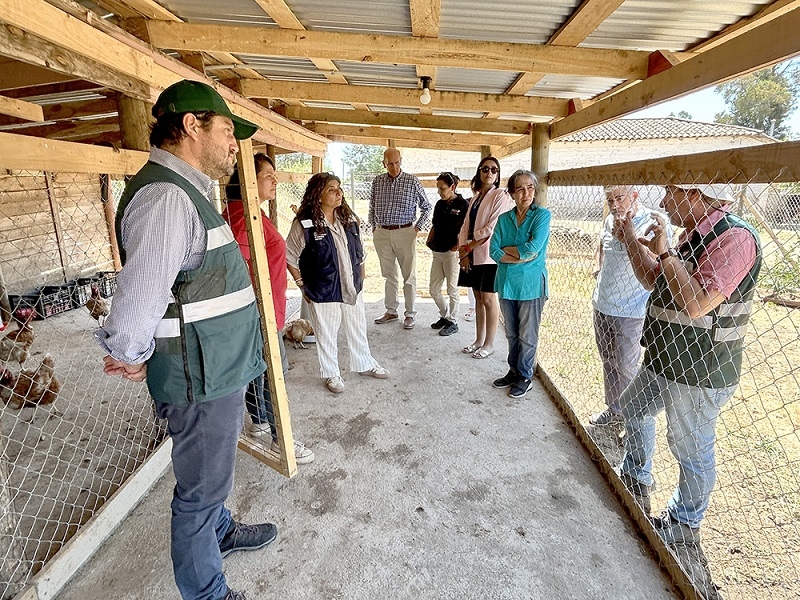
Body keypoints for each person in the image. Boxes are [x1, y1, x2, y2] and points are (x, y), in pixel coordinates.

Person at [96, 80, 277, 600]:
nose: (231, 145)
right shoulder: (167, 197)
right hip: (199, 376)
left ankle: (219, 533)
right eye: (226, 131)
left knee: (209, 474)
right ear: (191, 126)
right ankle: (206, 591)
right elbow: (142, 289)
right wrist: (129, 352)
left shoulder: (187, 191)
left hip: (215, 368)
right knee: (199, 493)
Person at [615, 183, 761, 546]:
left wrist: (666, 255)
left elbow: (696, 303)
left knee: (689, 446)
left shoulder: (735, 236)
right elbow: (655, 280)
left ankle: (685, 520)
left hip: (699, 369)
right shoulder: (694, 234)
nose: (663, 202)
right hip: (666, 356)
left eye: (670, 193)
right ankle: (636, 474)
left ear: (694, 194)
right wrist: (632, 241)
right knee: (633, 407)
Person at [223, 156, 315, 464]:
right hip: (259, 312)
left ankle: (260, 422)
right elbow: (236, 262)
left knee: (259, 371)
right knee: (274, 374)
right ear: (249, 180)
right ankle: (281, 440)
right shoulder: (241, 218)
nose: (274, 181)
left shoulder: (249, 212)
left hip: (264, 309)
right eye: (268, 176)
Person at [286, 173, 388, 394]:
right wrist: (302, 285)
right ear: (318, 194)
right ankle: (332, 373)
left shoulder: (348, 218)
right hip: (323, 289)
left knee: (358, 326)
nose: (339, 192)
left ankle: (365, 363)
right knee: (326, 332)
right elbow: (289, 256)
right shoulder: (305, 224)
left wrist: (360, 275)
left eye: (339, 188)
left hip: (351, 286)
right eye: (332, 189)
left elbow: (359, 251)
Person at [589, 186, 670, 426]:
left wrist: (630, 238)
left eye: (620, 198)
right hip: (603, 303)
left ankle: (635, 419)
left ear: (635, 196)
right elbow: (602, 247)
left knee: (626, 366)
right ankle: (615, 410)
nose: (615, 205)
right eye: (610, 199)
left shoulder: (653, 222)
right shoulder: (609, 220)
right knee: (609, 362)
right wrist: (598, 267)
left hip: (631, 309)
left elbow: (658, 263)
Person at [489, 170, 551, 398]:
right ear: (512, 193)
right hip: (507, 283)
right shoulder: (504, 219)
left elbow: (532, 250)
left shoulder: (542, 216)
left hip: (531, 285)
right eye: (520, 189)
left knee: (527, 334)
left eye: (530, 188)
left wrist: (510, 252)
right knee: (512, 333)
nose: (526, 193)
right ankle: (514, 370)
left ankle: (525, 376)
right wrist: (518, 255)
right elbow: (493, 251)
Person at [368, 148, 432, 330]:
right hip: (382, 233)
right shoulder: (377, 181)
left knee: (409, 275)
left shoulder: (412, 181)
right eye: (390, 164)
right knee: (388, 274)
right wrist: (374, 227)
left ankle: (410, 314)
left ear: (401, 161)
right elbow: (372, 206)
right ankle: (391, 310)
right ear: (384, 164)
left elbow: (426, 207)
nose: (394, 167)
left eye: (397, 163)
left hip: (405, 232)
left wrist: (417, 227)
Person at [457, 156, 513, 359]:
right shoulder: (475, 197)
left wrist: (469, 247)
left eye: (494, 170)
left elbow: (492, 226)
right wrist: (463, 250)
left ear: (498, 175)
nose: (489, 173)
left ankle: (490, 343)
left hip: (488, 256)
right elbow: (465, 226)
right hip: (471, 254)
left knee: (489, 299)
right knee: (478, 298)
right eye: (485, 169)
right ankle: (478, 340)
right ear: (479, 172)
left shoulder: (501, 196)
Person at [426, 172, 469, 336]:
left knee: (452, 289)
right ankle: (445, 315)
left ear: (453, 187)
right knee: (434, 289)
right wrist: (430, 241)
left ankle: (453, 321)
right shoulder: (439, 204)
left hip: (452, 252)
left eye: (442, 188)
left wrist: (459, 246)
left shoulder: (463, 204)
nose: (439, 191)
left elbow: (466, 228)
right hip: (437, 251)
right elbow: (435, 225)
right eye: (438, 188)